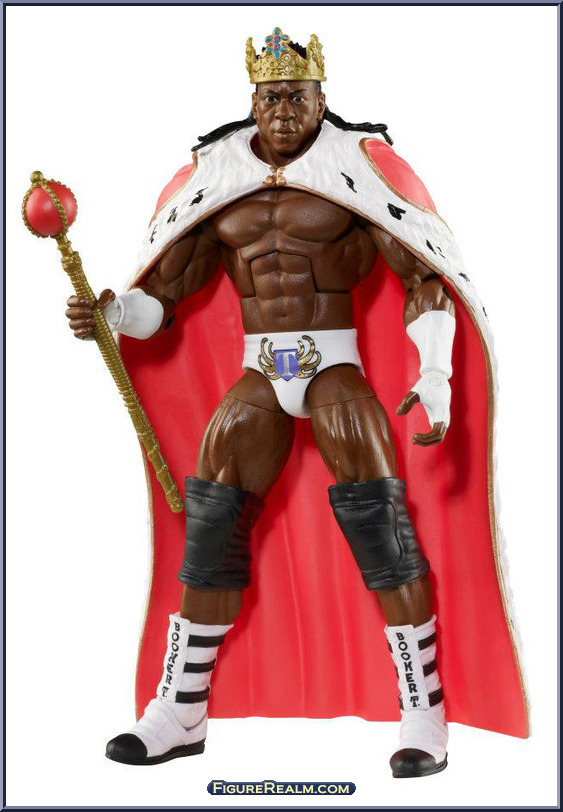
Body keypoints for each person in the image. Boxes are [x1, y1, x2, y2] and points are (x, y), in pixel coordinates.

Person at [65, 27, 527, 775]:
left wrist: (437, 371)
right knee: (210, 530)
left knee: (381, 529)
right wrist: (114, 313)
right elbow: (164, 300)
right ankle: (180, 709)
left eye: (298, 96)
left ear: (321, 99)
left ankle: (424, 711)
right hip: (259, 368)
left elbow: (423, 277)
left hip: (335, 364)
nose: (283, 109)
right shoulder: (215, 181)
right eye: (271, 96)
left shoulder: (359, 170)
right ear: (253, 101)